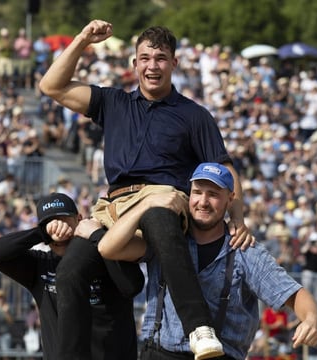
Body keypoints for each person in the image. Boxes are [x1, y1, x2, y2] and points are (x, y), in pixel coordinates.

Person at [39, 19, 252, 359]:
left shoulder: (194, 115)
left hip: (164, 199)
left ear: (174, 63)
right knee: (69, 272)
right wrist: (82, 39)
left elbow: (224, 167)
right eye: (146, 57)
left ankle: (198, 328)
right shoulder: (114, 103)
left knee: (159, 216)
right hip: (114, 207)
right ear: (134, 63)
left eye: (161, 58)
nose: (153, 65)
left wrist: (238, 217)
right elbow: (51, 86)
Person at [80, 163, 317, 359]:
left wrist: (311, 318)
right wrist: (147, 204)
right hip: (160, 353)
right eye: (197, 192)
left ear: (230, 199)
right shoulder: (168, 236)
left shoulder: (244, 251)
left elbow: (295, 295)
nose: (203, 202)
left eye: (213, 195)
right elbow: (109, 248)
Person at [0, 192, 143, 360]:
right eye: (50, 224)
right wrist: (41, 233)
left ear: (79, 219)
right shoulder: (41, 265)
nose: (59, 230)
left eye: (64, 221)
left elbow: (132, 286)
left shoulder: (105, 254)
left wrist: (96, 235)